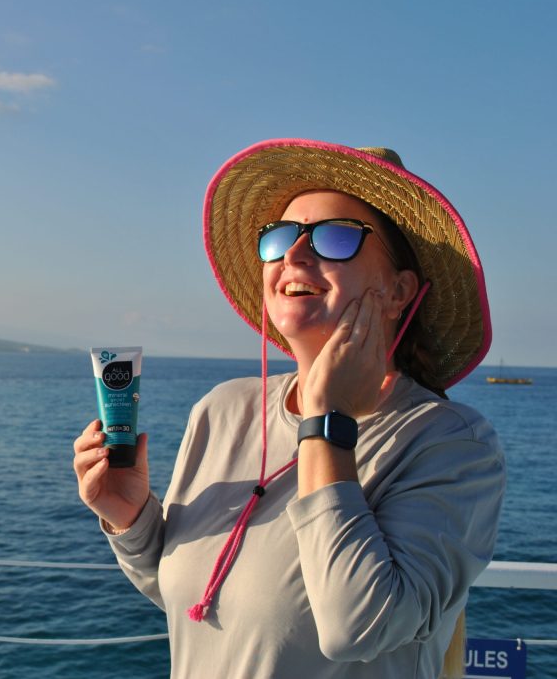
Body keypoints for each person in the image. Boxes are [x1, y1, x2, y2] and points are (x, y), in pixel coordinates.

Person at [73, 139, 505, 678]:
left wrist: (327, 420)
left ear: (398, 292)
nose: (294, 255)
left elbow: (358, 627)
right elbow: (209, 607)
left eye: (336, 237)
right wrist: (133, 520)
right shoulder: (223, 410)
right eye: (280, 238)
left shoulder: (450, 444)